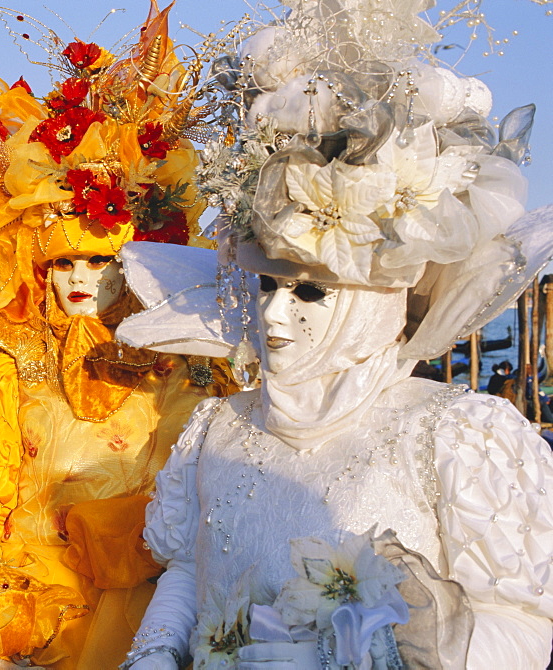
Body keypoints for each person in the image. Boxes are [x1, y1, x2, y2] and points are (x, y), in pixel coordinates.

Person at [118, 1, 553, 668]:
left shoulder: (459, 435)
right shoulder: (219, 428)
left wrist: (354, 653)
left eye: (313, 291)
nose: (273, 316)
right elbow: (187, 569)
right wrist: (156, 651)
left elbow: (522, 628)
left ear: (380, 296)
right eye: (267, 284)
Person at [0, 5, 235, 668]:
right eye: (63, 261)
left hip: (136, 606)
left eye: (98, 262)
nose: (78, 279)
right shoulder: (11, 365)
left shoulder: (178, 369)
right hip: (26, 611)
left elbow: (202, 494)